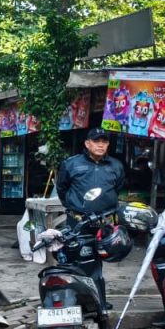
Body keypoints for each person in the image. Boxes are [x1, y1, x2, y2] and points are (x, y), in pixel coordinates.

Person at [55, 127, 125, 309]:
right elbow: (62, 189)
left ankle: (99, 301)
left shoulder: (115, 165)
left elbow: (117, 188)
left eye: (104, 141)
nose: (101, 145)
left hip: (104, 222)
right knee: (74, 257)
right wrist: (74, 208)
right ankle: (72, 298)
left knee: (98, 259)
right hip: (78, 221)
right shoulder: (71, 164)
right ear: (87, 144)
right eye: (96, 141)